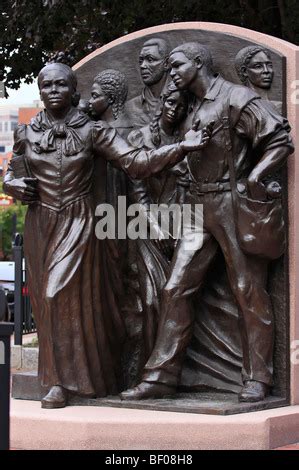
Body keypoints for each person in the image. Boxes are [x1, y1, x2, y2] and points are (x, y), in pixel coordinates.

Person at [3, 62, 211, 409]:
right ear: (40, 91)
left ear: (74, 91)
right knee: (46, 306)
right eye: (46, 85)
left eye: (61, 85)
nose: (53, 90)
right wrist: (12, 184)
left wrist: (182, 147)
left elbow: (136, 163)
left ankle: (61, 384)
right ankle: (78, 381)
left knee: (57, 295)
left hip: (79, 221)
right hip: (40, 222)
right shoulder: (27, 132)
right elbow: (12, 171)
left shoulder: (93, 132)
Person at [120, 42, 294, 403]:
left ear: (198, 63)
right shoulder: (191, 105)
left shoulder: (236, 97)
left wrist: (255, 177)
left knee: (248, 289)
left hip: (233, 203)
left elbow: (279, 139)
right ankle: (161, 377)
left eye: (177, 65)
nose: (172, 73)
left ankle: (258, 378)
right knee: (175, 287)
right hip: (198, 207)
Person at [127, 82, 190, 370]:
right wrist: (158, 230)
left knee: (177, 298)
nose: (174, 110)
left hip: (183, 227)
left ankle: (175, 371)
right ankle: (149, 371)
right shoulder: (141, 138)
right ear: (161, 103)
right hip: (147, 229)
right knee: (152, 299)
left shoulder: (191, 139)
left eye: (181, 106)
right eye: (170, 103)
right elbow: (137, 195)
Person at [126, 38, 169, 128]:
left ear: (166, 63)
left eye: (150, 60)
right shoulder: (129, 107)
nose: (143, 66)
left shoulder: (179, 101)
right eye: (141, 61)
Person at [235, 45, 282, 113]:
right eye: (258, 66)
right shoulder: (238, 106)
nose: (266, 71)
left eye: (269, 66)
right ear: (244, 71)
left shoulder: (279, 107)